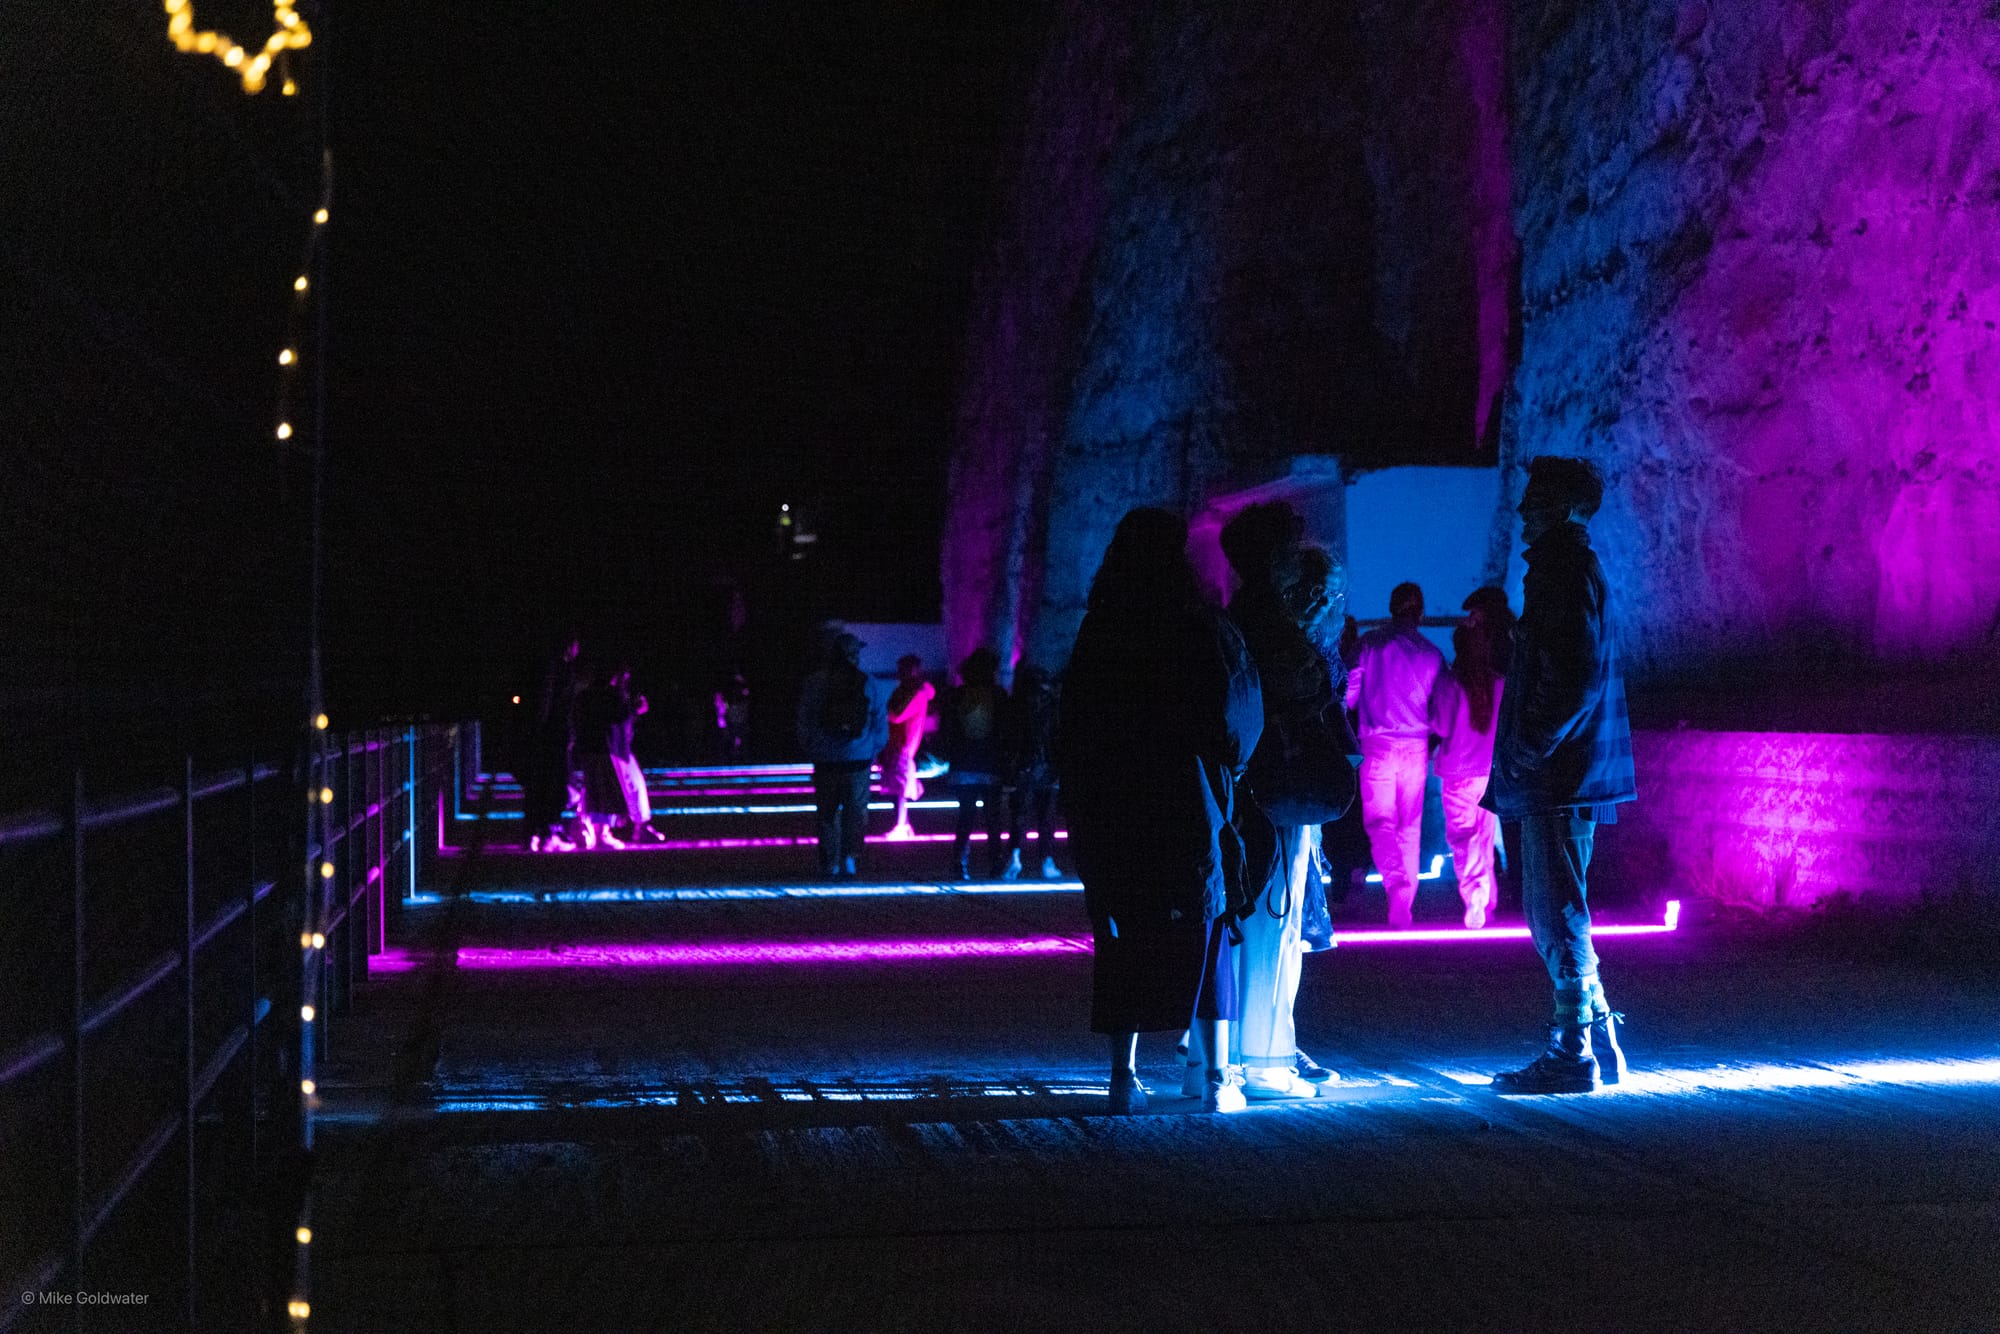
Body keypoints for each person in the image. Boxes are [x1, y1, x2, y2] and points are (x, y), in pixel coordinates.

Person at [1058, 508, 1262, 1115]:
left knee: (1122, 936)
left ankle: (1123, 1077)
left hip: (1117, 805)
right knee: (1206, 934)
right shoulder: (1198, 625)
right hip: (1188, 802)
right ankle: (1217, 1077)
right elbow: (1234, 720)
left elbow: (1073, 727)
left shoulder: (1102, 628)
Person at [1487, 456, 1637, 1094]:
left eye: (1536, 499)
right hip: (1568, 773)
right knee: (1558, 908)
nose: (1523, 511)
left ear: (1564, 508)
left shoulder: (1560, 570)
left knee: (1555, 912)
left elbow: (1571, 676)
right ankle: (1595, 1037)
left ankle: (1572, 1051)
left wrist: (1528, 747)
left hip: (1558, 777)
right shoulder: (1568, 568)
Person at [1222, 502, 1343, 1100]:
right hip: (1279, 788)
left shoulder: (1235, 617)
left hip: (1246, 787)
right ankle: (1267, 1061)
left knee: (1245, 920)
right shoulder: (1273, 624)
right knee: (1274, 920)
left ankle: (1229, 1052)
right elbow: (1313, 690)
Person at [1346, 582, 1446, 928]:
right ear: (1421, 612)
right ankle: (1405, 898)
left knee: (1379, 823)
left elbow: (1348, 694)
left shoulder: (1369, 644)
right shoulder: (1432, 653)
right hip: (1417, 747)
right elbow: (1440, 707)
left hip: (1376, 746)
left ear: (1391, 608)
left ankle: (1397, 886)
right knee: (1410, 825)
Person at [1429, 621, 1505, 927]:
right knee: (1484, 837)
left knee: (1463, 837)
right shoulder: (1499, 683)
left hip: (1458, 771)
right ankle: (1489, 900)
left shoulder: (1450, 683)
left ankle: (1475, 895)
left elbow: (1440, 726)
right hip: (1489, 771)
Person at [796, 632, 888, 880]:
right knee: (855, 812)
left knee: (827, 813)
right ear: (854, 656)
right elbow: (880, 723)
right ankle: (850, 859)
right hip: (858, 759)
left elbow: (805, 719)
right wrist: (872, 750)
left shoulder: (815, 682)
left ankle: (829, 862)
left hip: (826, 760)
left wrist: (812, 747)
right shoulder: (869, 682)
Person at [940, 647, 1009, 881]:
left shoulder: (958, 695)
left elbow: (947, 730)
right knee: (992, 817)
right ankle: (995, 862)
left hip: (963, 764)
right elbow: (1006, 731)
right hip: (991, 764)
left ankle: (960, 861)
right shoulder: (998, 695)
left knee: (966, 814)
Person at [1001, 664, 1062, 880]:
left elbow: (1008, 737)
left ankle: (1014, 858)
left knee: (1019, 815)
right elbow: (1056, 736)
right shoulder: (1051, 704)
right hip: (1047, 766)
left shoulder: (1015, 704)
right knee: (1046, 818)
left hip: (1022, 767)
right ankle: (1046, 861)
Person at [525, 632, 582, 852]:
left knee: (545, 784)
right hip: (554, 735)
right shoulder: (560, 669)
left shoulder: (550, 667)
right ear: (569, 646)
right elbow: (551, 703)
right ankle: (549, 832)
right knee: (557, 783)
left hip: (550, 734)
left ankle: (536, 833)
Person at [572, 665, 635, 850]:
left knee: (595, 790)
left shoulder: (585, 694)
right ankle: (601, 834)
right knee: (605, 791)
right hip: (605, 747)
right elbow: (620, 715)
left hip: (588, 747)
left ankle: (598, 832)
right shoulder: (610, 694)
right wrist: (631, 704)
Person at [879, 655, 935, 841]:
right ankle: (903, 824)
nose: (899, 672)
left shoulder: (915, 693)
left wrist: (881, 713)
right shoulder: (907, 690)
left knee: (900, 788)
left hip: (903, 745)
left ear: (914, 670)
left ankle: (901, 826)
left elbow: (896, 715)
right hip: (897, 744)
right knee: (898, 787)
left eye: (903, 668)